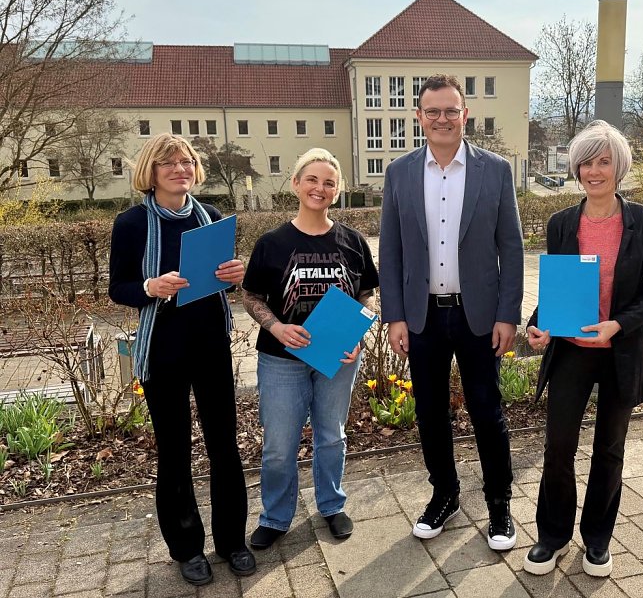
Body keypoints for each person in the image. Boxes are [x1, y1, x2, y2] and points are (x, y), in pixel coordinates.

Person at [379, 74, 524, 550]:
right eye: (432, 111)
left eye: (451, 111)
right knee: (430, 412)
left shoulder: (495, 170)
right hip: (421, 317)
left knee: (487, 410)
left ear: (465, 115)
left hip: (478, 316)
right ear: (419, 117)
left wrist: (508, 314)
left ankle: (499, 504)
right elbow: (393, 251)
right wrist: (394, 316)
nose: (442, 119)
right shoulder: (399, 173)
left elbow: (512, 247)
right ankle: (444, 494)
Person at [522, 120, 643, 578]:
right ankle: (552, 536)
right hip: (571, 351)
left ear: (619, 167)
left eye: (603, 161)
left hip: (621, 351)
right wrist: (538, 325)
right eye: (586, 161)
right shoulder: (561, 223)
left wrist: (617, 325)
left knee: (609, 449)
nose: (593, 170)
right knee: (558, 446)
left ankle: (598, 540)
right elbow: (557, 291)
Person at [108, 133, 254, 586]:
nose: (179, 169)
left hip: (210, 346)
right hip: (163, 350)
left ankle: (232, 540)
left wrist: (232, 275)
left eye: (186, 161)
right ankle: (187, 547)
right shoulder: (131, 224)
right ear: (151, 172)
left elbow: (216, 280)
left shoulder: (209, 216)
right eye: (168, 163)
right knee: (174, 452)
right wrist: (150, 287)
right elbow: (119, 288)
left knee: (225, 447)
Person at [242, 148, 378, 549]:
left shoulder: (353, 242)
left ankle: (332, 506)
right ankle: (276, 516)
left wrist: (356, 334)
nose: (320, 188)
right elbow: (250, 296)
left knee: (332, 435)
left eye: (329, 182)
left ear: (338, 191)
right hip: (281, 359)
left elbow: (366, 296)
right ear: (296, 184)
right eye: (313, 180)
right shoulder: (272, 243)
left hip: (336, 356)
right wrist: (277, 326)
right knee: (280, 445)